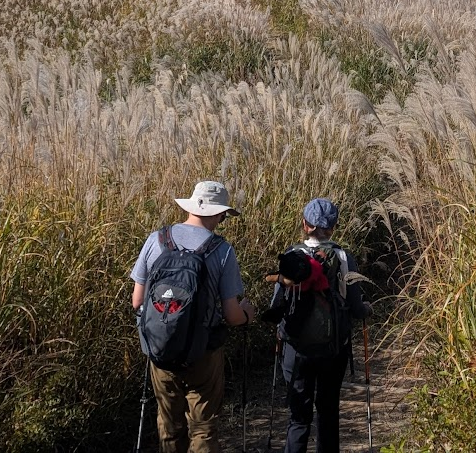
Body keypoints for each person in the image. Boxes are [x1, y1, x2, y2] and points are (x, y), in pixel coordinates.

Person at [130, 181, 251, 453]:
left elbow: (137, 301)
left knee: (169, 425)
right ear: (219, 213)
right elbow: (232, 316)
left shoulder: (156, 240)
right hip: (203, 353)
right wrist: (247, 314)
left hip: (160, 350)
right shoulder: (222, 250)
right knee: (203, 426)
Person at [263, 198, 371, 453]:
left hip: (296, 349)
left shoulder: (291, 256)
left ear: (304, 224)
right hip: (333, 349)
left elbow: (277, 304)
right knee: (327, 412)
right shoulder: (344, 257)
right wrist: (367, 309)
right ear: (334, 226)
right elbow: (355, 308)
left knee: (298, 415)